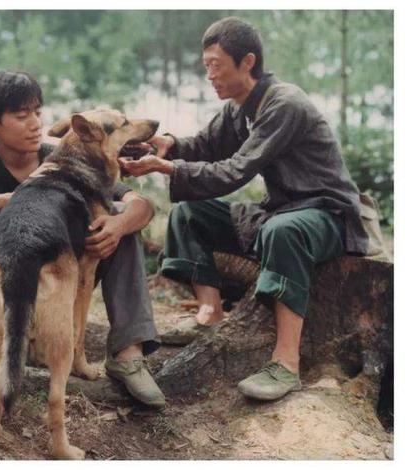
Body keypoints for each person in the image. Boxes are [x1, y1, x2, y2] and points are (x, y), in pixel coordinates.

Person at [120, 17, 369, 401]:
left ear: (247, 62)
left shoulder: (284, 104)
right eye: (206, 66)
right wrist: (165, 144)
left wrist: (166, 166)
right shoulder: (240, 108)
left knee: (283, 231)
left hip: (328, 215)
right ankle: (210, 313)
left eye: (216, 65)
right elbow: (205, 145)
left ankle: (285, 365)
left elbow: (235, 171)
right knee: (190, 212)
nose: (210, 75)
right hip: (279, 210)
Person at [0, 70, 166, 407]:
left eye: (37, 112)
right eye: (21, 116)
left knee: (120, 222)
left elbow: (142, 206)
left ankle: (128, 353)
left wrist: (119, 226)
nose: (34, 123)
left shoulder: (67, 155)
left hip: (57, 278)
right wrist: (13, 197)